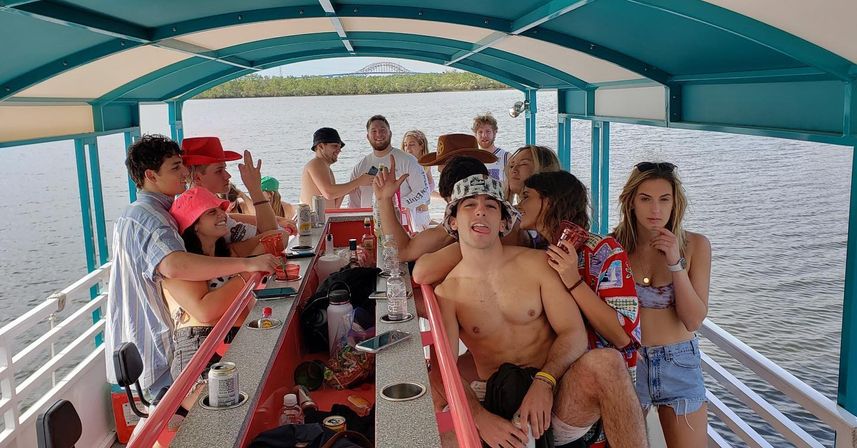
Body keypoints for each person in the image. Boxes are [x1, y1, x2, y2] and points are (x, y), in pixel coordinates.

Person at [435, 174, 647, 448]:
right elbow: (443, 368)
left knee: (608, 363)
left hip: (556, 394)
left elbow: (573, 333)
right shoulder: (447, 292)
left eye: (490, 205)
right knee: (432, 422)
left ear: (503, 222)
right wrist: (479, 418)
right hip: (497, 399)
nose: (480, 210)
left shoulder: (538, 264)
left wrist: (544, 382)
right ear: (453, 221)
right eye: (469, 205)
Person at [104, 134, 278, 398]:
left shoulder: (146, 213)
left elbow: (268, 235)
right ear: (150, 175)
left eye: (182, 165)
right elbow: (175, 265)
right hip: (157, 345)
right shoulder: (151, 217)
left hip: (154, 340)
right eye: (175, 167)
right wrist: (246, 265)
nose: (184, 172)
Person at [613, 162, 711, 448]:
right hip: (629, 362)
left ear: (674, 203)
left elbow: (693, 320)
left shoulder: (695, 246)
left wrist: (674, 262)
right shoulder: (613, 245)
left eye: (664, 199)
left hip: (679, 363)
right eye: (645, 199)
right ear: (631, 202)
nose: (655, 209)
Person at [164, 186, 278, 386]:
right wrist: (249, 268)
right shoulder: (183, 265)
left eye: (221, 208)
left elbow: (276, 236)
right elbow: (206, 311)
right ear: (194, 224)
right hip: (200, 346)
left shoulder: (227, 254)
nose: (222, 214)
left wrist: (254, 259)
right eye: (211, 211)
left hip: (238, 338)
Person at [374, 134, 496, 263]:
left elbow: (402, 252)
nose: (441, 174)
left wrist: (384, 199)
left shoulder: (461, 222)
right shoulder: (497, 211)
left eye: (444, 169)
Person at [182, 136, 294, 241]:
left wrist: (278, 220)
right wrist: (254, 189)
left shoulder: (192, 204)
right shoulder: (207, 212)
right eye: (219, 171)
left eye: (224, 169)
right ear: (197, 177)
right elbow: (272, 234)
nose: (228, 176)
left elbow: (230, 217)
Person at [345, 115, 431, 220]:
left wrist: (395, 205)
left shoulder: (409, 160)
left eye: (382, 130)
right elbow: (354, 203)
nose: (379, 134)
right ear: (367, 136)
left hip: (401, 225)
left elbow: (423, 193)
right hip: (369, 226)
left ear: (390, 133)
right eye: (374, 131)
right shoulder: (360, 167)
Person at [300, 127, 373, 209]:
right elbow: (329, 193)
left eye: (340, 147)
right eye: (335, 146)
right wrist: (358, 182)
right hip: (313, 221)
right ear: (320, 146)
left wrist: (348, 190)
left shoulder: (327, 168)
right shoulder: (317, 163)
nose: (339, 150)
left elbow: (334, 206)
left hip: (322, 219)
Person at [401, 130, 434, 231]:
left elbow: (427, 188)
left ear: (421, 146)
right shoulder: (405, 167)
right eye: (405, 145)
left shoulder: (426, 165)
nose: (407, 148)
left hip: (425, 214)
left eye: (411, 144)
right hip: (414, 215)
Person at [472, 113, 510, 182]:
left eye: (488, 131)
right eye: (480, 132)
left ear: (494, 133)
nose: (484, 135)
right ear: (475, 135)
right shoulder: (471, 159)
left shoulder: (506, 157)